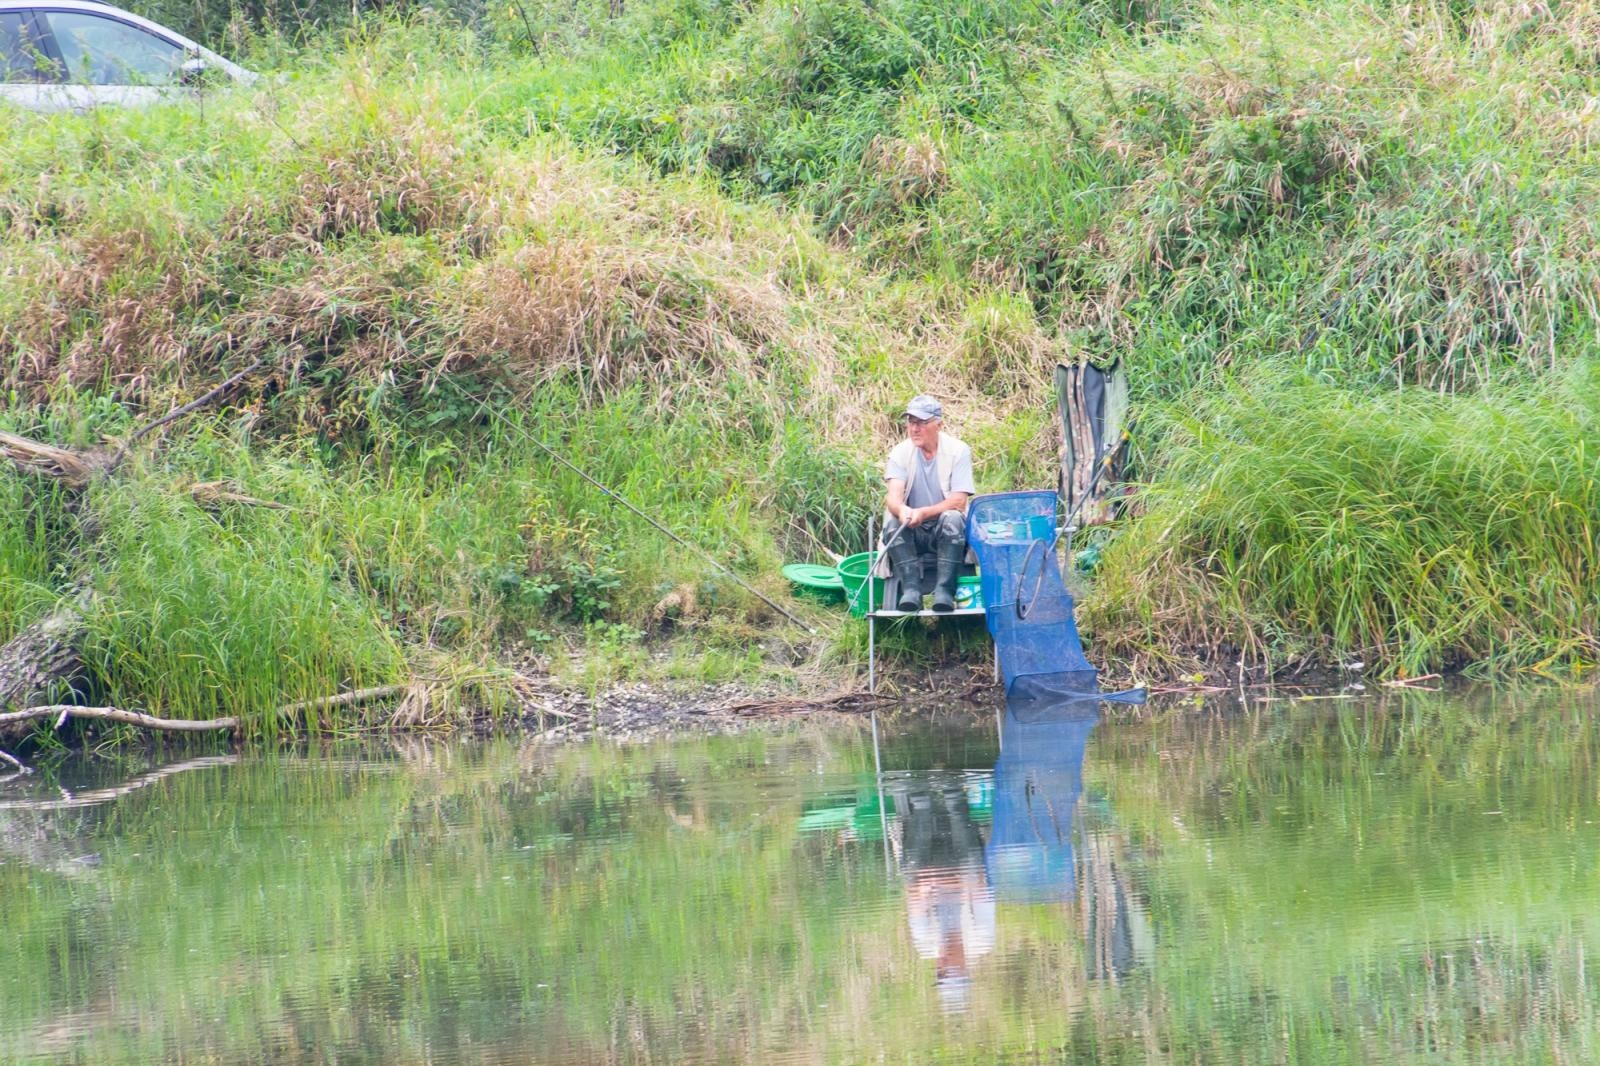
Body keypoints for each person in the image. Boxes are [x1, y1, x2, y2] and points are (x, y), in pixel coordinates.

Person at [882, 395, 974, 612]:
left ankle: (944, 591)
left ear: (938, 424)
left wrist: (923, 512)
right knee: (892, 521)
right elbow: (892, 497)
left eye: (922, 423)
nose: (915, 429)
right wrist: (903, 510)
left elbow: (959, 501)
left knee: (952, 518)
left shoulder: (958, 451)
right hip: (913, 529)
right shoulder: (900, 453)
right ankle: (911, 590)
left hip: (946, 530)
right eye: (911, 422)